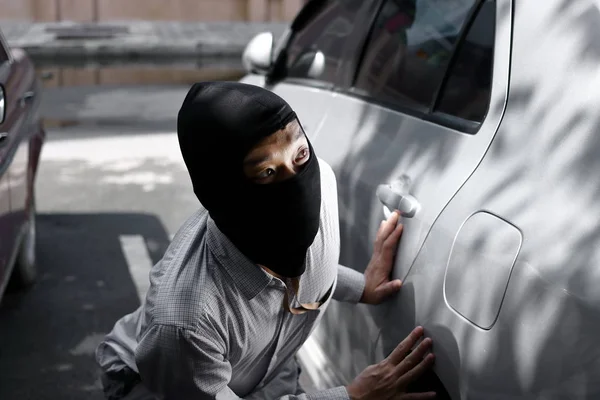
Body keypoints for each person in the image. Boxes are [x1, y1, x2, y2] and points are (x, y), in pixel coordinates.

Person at [95, 81, 436, 400]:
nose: (297, 184)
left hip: (263, 373)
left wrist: (364, 287)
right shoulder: (187, 321)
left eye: (300, 155)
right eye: (267, 173)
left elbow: (309, 269)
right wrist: (351, 396)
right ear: (222, 193)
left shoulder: (322, 189)